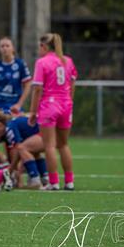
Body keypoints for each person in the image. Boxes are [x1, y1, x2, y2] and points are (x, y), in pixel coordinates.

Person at [28, 33, 77, 191]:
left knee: (49, 146)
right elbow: (73, 82)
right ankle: (69, 182)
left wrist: (33, 112)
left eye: (39, 47)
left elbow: (37, 89)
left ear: (44, 46)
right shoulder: (67, 60)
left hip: (49, 105)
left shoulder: (42, 62)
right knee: (63, 145)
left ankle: (53, 182)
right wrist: (69, 101)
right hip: (66, 105)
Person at [0, 111, 47, 188]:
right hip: (47, 131)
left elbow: (17, 150)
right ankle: (44, 178)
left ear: (1, 124)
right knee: (33, 151)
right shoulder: (11, 125)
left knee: (22, 148)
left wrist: (11, 169)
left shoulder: (9, 128)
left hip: (46, 133)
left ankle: (35, 179)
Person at [0, 37, 32, 114]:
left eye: (7, 46)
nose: (5, 48)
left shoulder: (20, 64)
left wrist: (19, 104)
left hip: (14, 105)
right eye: (2, 46)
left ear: (13, 48)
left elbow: (28, 84)